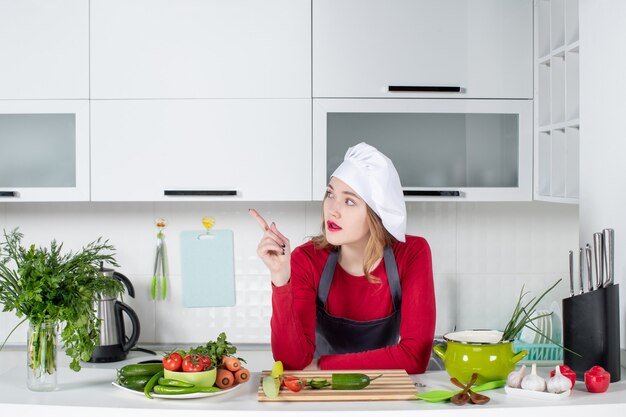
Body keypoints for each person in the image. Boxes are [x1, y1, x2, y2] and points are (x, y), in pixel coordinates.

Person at [249, 142, 435, 374]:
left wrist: (323, 365)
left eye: (349, 201)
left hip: (383, 391)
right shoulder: (306, 259)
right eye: (330, 194)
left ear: (376, 215)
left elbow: (415, 358)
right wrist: (280, 279)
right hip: (321, 392)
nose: (332, 210)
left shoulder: (411, 253)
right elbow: (291, 363)